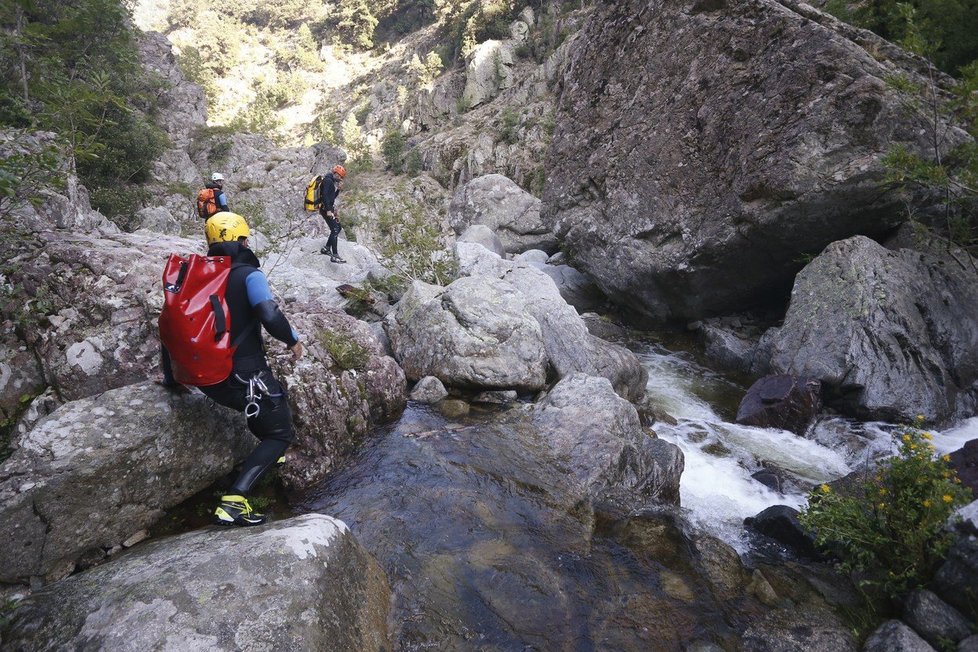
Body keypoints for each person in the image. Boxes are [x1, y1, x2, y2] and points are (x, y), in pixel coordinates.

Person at [160, 212, 304, 526]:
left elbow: (170, 327)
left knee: (271, 407)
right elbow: (268, 312)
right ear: (240, 240)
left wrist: (171, 378)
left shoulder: (196, 278)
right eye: (245, 238)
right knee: (280, 433)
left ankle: (264, 459)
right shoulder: (249, 274)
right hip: (242, 374)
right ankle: (234, 502)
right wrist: (292, 340)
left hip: (206, 379)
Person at [318, 164, 347, 263]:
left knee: (338, 228)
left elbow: (331, 197)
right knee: (335, 229)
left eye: (341, 177)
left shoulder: (330, 181)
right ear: (335, 174)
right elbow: (325, 196)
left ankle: (326, 248)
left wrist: (338, 190)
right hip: (325, 209)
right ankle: (334, 255)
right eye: (339, 176)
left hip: (327, 208)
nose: (340, 179)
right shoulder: (328, 181)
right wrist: (328, 210)